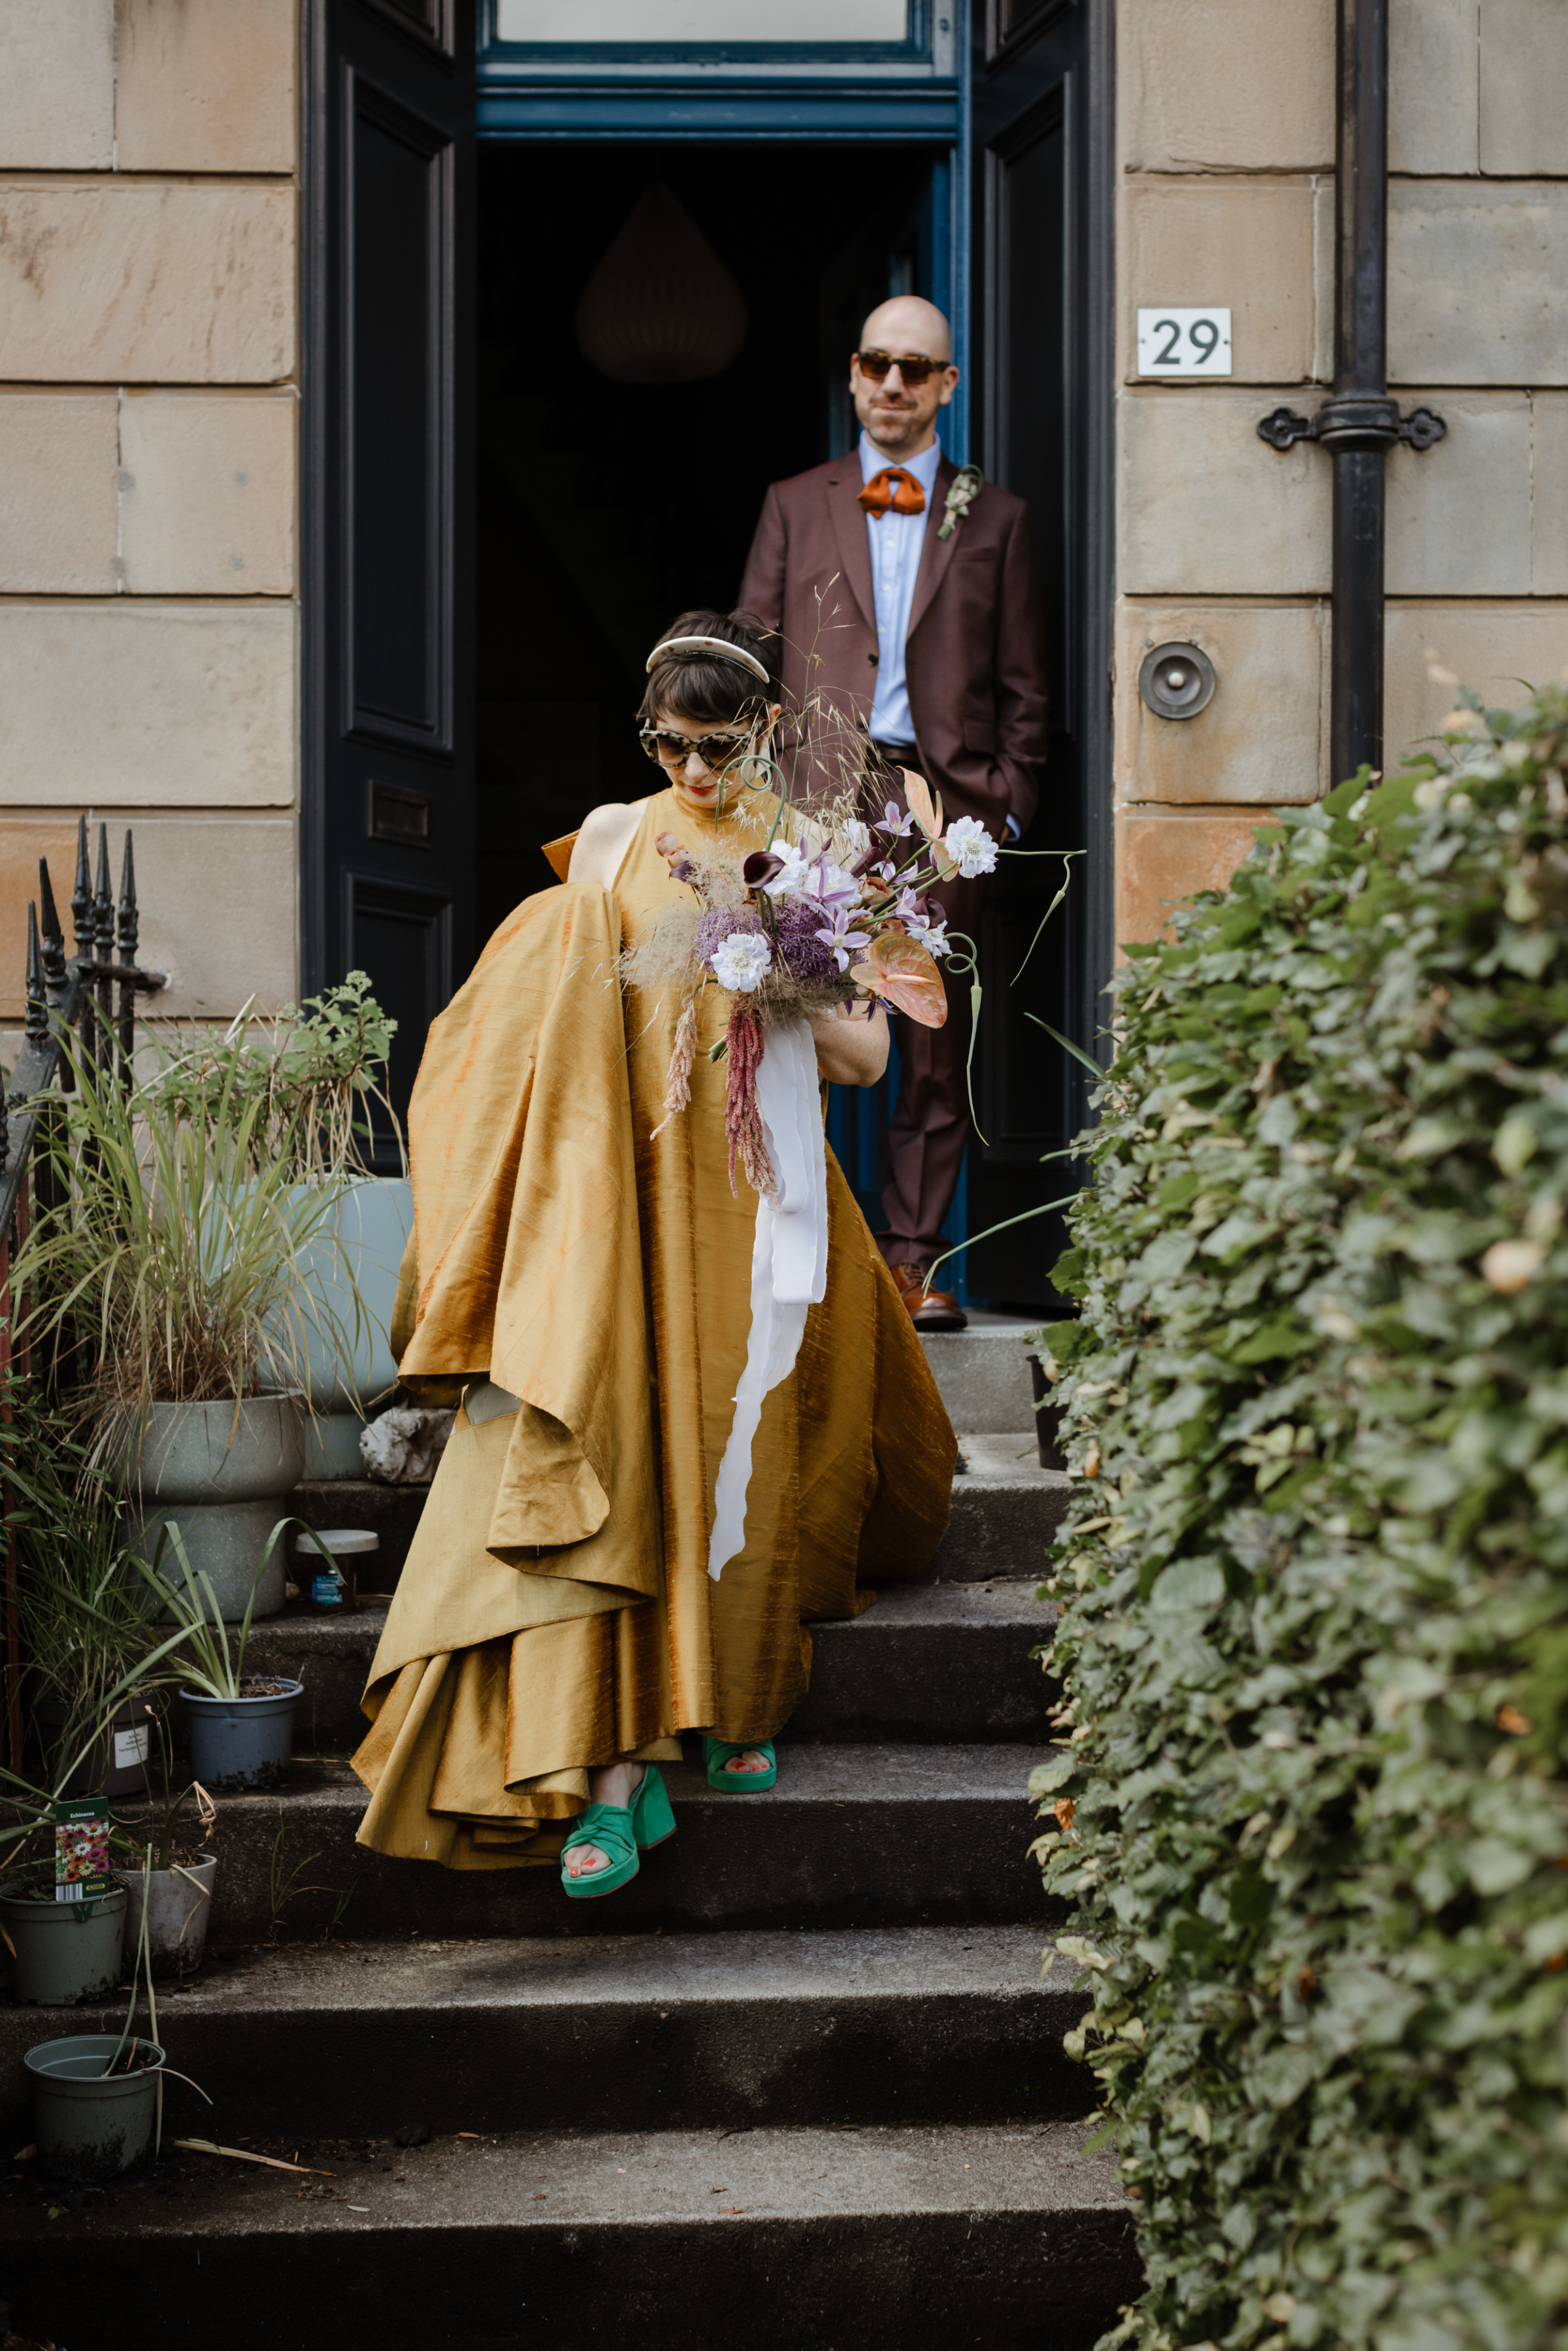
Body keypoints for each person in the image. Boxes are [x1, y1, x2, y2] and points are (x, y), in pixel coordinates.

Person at [351, 608, 955, 1898]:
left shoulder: (814, 851)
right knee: (631, 1449)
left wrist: (779, 973)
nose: (690, 770)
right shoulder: (613, 839)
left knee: (743, 1440)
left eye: (714, 746)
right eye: (667, 744)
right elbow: (545, 1020)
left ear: (765, 731)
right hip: (627, 1189)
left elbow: (866, 1055)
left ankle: (739, 1691)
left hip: (756, 1190)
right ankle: (618, 1768)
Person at [739, 293, 1049, 1332]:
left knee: (930, 1037)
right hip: (819, 800)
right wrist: (758, 800)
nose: (893, 384)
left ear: (946, 384)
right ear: (854, 374)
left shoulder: (996, 518)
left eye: (916, 368)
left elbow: (1026, 687)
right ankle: (797, 1256)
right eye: (877, 363)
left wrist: (1003, 809)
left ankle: (913, 1263)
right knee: (797, 1019)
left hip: (941, 808)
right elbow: (750, 656)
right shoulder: (795, 502)